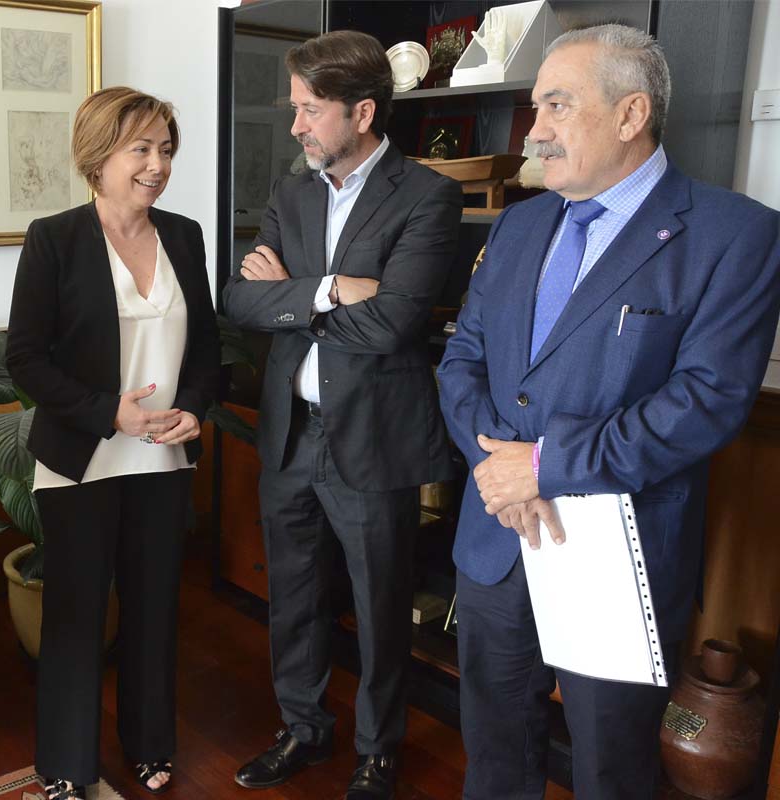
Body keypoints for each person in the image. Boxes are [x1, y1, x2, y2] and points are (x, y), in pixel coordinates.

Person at [436, 24, 780, 799]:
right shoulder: (521, 223)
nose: (536, 131)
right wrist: (498, 467)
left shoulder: (736, 235)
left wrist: (546, 467)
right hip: (495, 536)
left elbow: (705, 404)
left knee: (609, 767)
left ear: (631, 115)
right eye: (534, 108)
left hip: (617, 555)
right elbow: (462, 357)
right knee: (493, 752)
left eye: (558, 105)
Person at [223, 30, 463, 800]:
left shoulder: (427, 195)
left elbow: (393, 324)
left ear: (362, 111)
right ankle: (302, 729)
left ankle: (377, 750)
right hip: (292, 433)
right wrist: (330, 290)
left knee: (380, 604)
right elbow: (240, 299)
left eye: (308, 111)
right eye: (295, 109)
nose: (295, 126)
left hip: (372, 441)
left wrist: (292, 293)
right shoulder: (291, 193)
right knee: (292, 596)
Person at [5, 86, 220, 800]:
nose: (157, 164)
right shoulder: (55, 238)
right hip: (82, 460)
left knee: (156, 608)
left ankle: (150, 742)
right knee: (74, 617)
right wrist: (108, 413)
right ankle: (66, 764)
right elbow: (26, 359)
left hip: (163, 460)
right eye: (142, 149)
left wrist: (193, 407)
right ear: (99, 156)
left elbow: (208, 352)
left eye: (165, 149)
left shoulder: (184, 236)